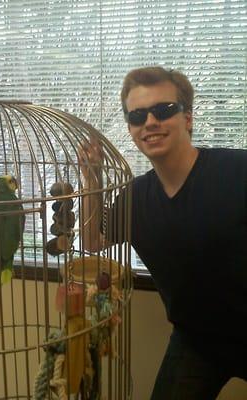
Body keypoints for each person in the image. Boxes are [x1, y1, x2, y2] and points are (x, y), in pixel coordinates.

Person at [79, 66, 247, 399]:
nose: (150, 122)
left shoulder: (237, 171)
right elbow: (92, 241)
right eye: (138, 115)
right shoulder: (135, 196)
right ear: (130, 128)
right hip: (197, 341)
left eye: (164, 110)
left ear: (187, 118)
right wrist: (92, 181)